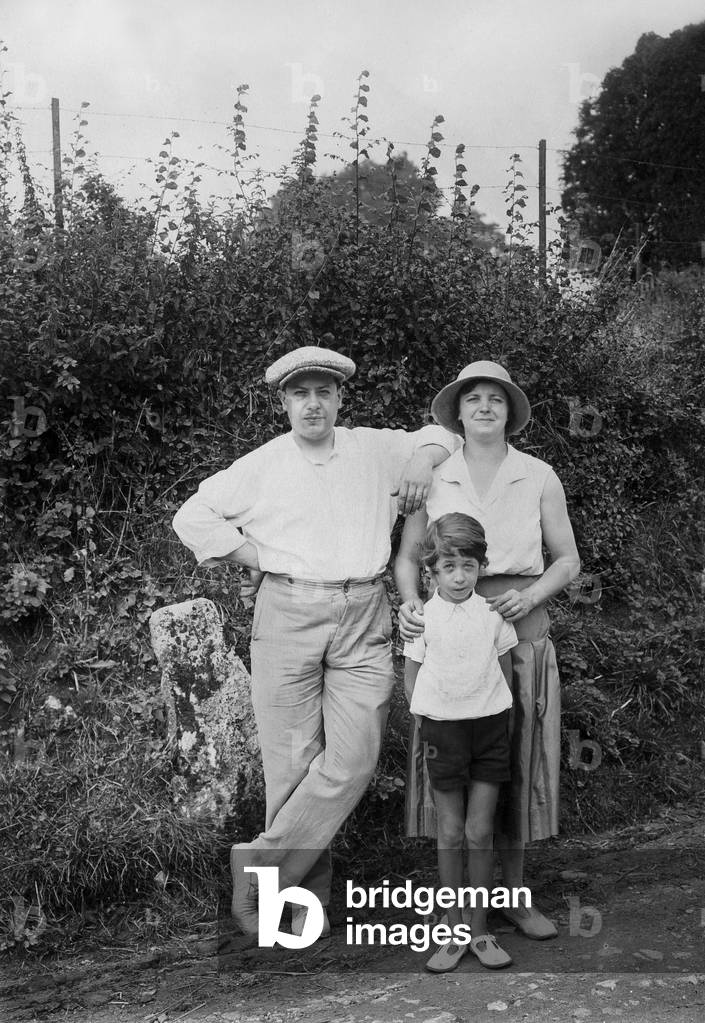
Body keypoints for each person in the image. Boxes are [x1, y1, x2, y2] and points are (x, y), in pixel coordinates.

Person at [172, 345, 458, 941]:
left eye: (323, 392)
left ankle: (261, 864)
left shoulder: (371, 449)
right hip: (288, 612)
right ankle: (301, 909)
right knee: (293, 767)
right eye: (300, 394)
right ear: (283, 402)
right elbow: (191, 517)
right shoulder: (265, 463)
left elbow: (444, 434)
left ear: (339, 398)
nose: (312, 405)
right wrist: (255, 555)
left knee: (353, 760)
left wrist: (421, 459)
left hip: (364, 614)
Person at [395, 360, 580, 940]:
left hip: (517, 631)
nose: (483, 406)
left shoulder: (538, 475)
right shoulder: (436, 475)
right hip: (450, 638)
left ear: (510, 412)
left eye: (495, 399)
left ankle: (514, 898)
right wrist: (411, 605)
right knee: (454, 767)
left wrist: (531, 596)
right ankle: (457, 907)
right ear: (456, 412)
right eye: (472, 397)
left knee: (516, 765)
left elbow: (568, 559)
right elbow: (408, 558)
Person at [404, 512, 518, 973]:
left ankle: (480, 930)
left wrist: (498, 717)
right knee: (450, 832)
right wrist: (430, 724)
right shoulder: (421, 620)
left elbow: (505, 674)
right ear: (431, 571)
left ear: (480, 567)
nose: (458, 577)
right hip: (443, 733)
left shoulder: (493, 616)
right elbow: (411, 680)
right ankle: (453, 932)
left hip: (490, 731)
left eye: (468, 566)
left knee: (479, 831)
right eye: (448, 567)